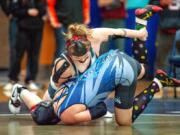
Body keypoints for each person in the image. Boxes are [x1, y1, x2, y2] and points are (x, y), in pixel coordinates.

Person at [9, 5, 176, 126]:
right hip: (78, 91)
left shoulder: (95, 35)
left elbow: (121, 32)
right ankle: (20, 91)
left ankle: (141, 22)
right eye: (78, 60)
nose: (82, 62)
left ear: (88, 45)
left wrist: (139, 32)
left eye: (85, 58)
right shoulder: (63, 64)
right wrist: (46, 107)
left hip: (102, 79)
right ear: (69, 54)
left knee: (141, 67)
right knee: (44, 116)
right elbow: (53, 88)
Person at [6, 0, 47, 90]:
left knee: (34, 55)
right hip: (23, 28)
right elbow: (14, 10)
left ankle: (31, 80)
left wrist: (39, 11)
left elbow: (44, 10)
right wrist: (27, 12)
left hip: (37, 29)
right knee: (18, 54)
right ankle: (12, 79)